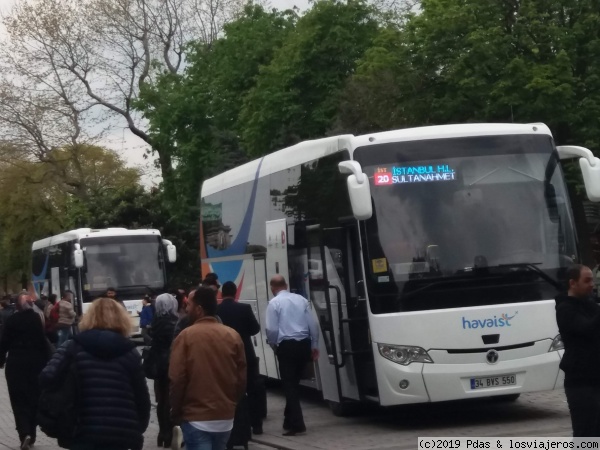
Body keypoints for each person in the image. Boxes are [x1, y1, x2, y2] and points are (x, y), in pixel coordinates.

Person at [40, 297, 151, 450]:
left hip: (81, 430)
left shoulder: (72, 347)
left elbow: (47, 377)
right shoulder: (130, 352)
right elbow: (141, 396)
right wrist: (139, 426)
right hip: (120, 432)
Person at [169, 286, 247, 450]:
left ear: (199, 309)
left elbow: (177, 379)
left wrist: (176, 411)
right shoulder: (232, 335)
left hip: (196, 417)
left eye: (189, 305)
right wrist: (232, 403)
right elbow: (241, 378)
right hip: (225, 417)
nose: (186, 308)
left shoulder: (186, 337)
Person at [266, 275, 319, 436]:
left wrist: (274, 344)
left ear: (272, 288)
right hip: (303, 344)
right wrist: (314, 345)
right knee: (294, 384)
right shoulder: (301, 300)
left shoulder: (274, 303)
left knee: (289, 386)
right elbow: (313, 324)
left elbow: (272, 329)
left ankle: (297, 424)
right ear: (286, 285)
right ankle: (288, 420)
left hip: (287, 346)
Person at [0, 292, 50, 450]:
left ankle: (24, 433)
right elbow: (46, 340)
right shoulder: (38, 319)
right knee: (34, 398)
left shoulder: (12, 320)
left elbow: (3, 342)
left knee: (18, 400)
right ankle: (32, 433)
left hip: (16, 364)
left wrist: (1, 360)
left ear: (17, 305)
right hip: (37, 363)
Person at [555, 264, 600, 437]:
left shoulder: (590, 305)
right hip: (581, 382)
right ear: (573, 283)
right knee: (585, 432)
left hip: (596, 377)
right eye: (587, 280)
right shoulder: (564, 309)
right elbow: (586, 328)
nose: (592, 285)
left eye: (593, 280)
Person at [217, 281, 263, 435]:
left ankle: (233, 426)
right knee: (251, 389)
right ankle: (256, 425)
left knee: (228, 392)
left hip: (224, 357)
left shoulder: (217, 311)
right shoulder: (244, 308)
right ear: (236, 293)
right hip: (245, 354)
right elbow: (255, 328)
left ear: (222, 294)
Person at [149, 293, 179, 447]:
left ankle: (163, 433)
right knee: (172, 399)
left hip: (159, 366)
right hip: (172, 364)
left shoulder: (156, 321)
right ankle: (171, 432)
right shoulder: (174, 322)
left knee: (162, 400)